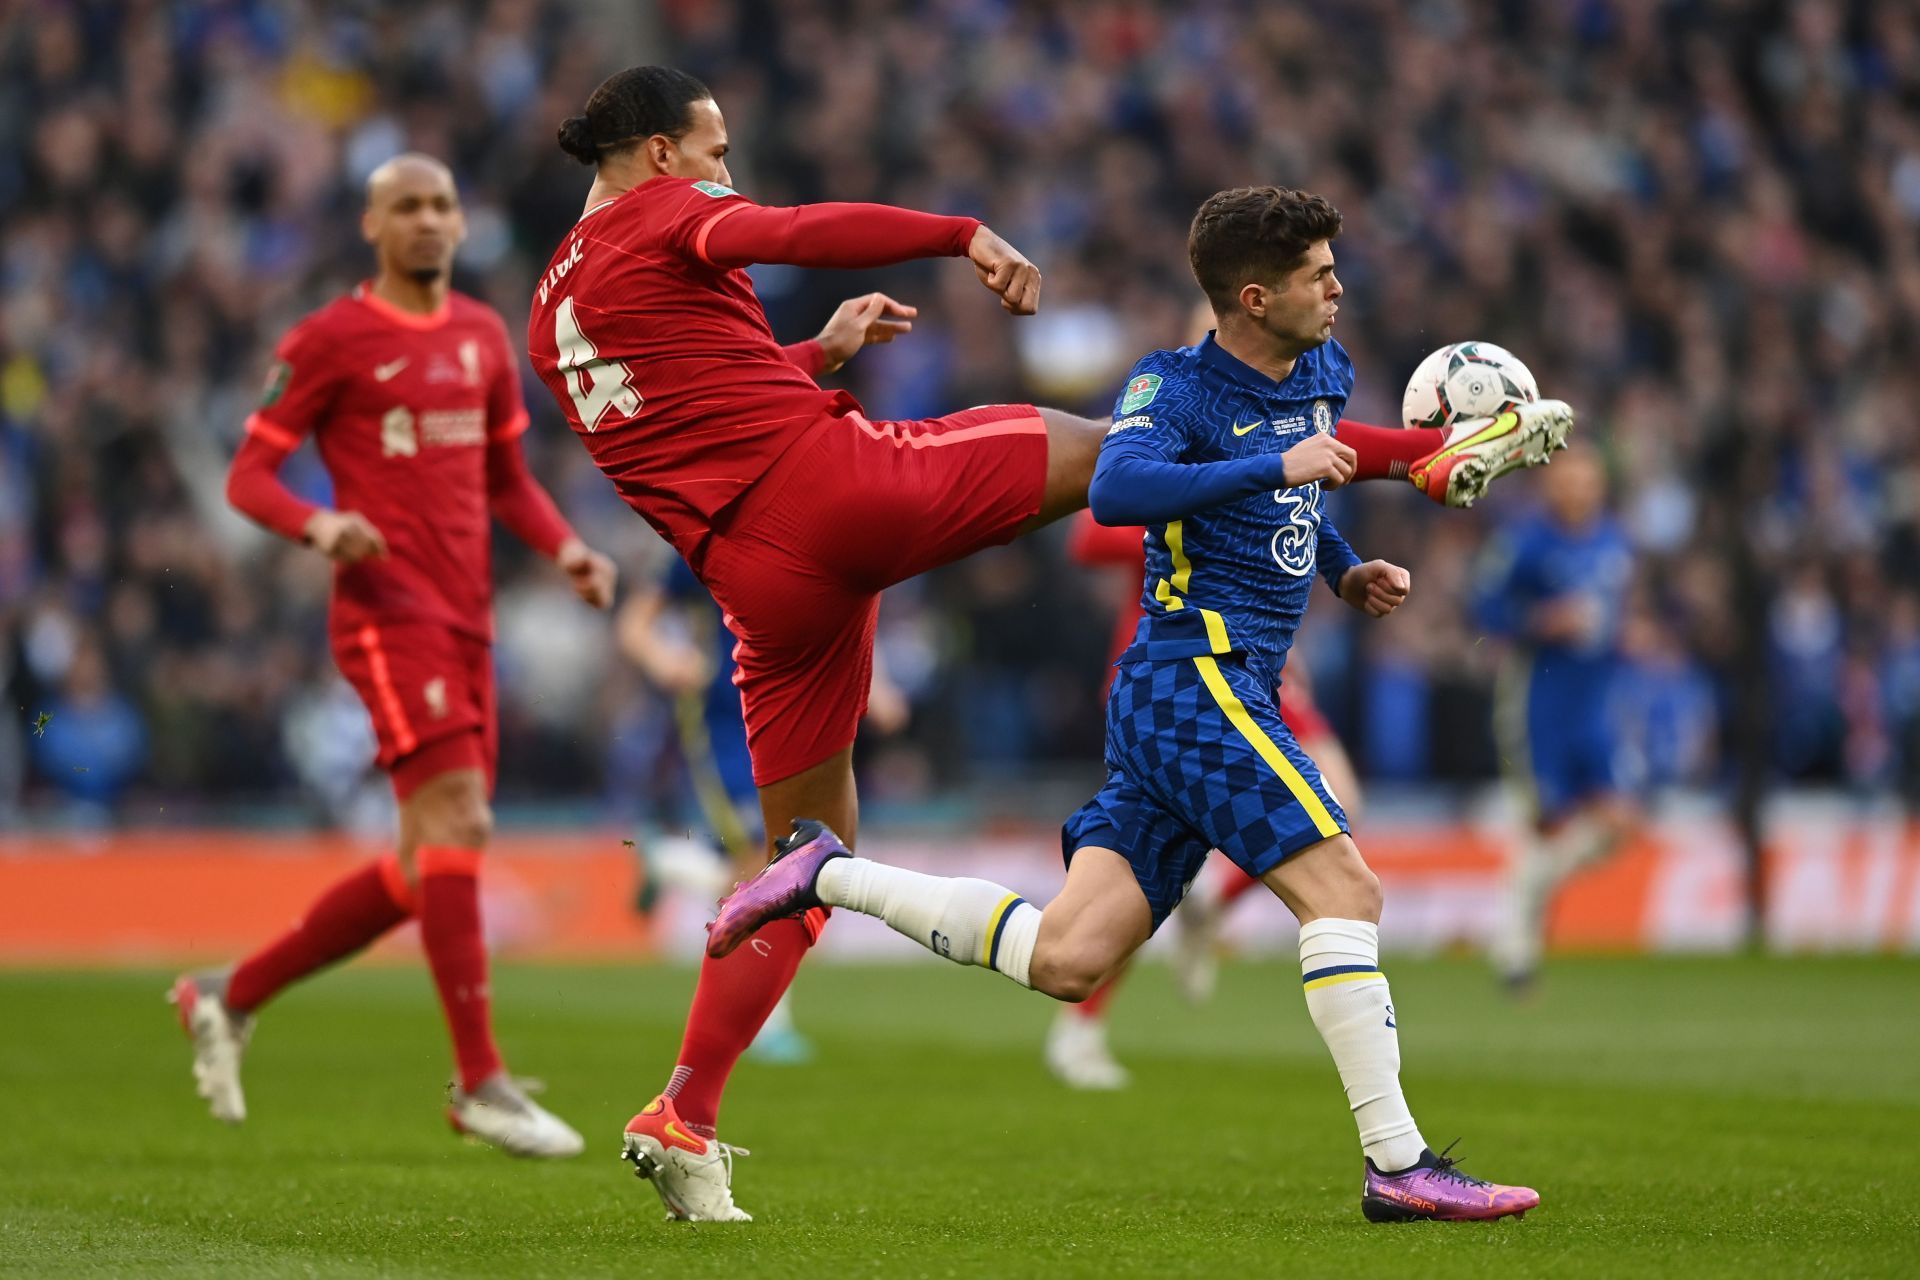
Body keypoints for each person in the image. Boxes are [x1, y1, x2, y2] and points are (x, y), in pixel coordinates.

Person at [531, 65, 1567, 1221]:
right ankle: (1398, 1159)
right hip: (830, 494)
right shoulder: (666, 211)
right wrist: (957, 232)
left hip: (755, 580)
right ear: (663, 154)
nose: (727, 169)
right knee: (1099, 449)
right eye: (715, 148)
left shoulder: (550, 313)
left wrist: (818, 355)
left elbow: (697, 407)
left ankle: (685, 1110)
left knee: (804, 852)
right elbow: (796, 228)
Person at [171, 154, 617, 1159]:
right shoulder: (333, 338)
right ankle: (482, 1081)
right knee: (462, 818)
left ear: (462, 224)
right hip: (384, 614)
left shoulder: (480, 335)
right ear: (372, 226)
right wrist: (319, 525)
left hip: (468, 619)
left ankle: (225, 995)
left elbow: (507, 476)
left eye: (442, 205)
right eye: (406, 206)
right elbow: (251, 476)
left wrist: (567, 549)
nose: (427, 221)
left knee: (430, 862)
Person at [1476, 446, 1639, 990]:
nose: (1577, 490)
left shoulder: (1615, 540)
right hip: (1536, 704)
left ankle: (1521, 905)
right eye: (1567, 480)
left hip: (1593, 706)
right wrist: (1544, 620)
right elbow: (1485, 609)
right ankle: (1516, 954)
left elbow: (1617, 614)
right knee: (1544, 823)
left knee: (1619, 821)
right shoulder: (1524, 542)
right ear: (1552, 485)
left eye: (1586, 480)